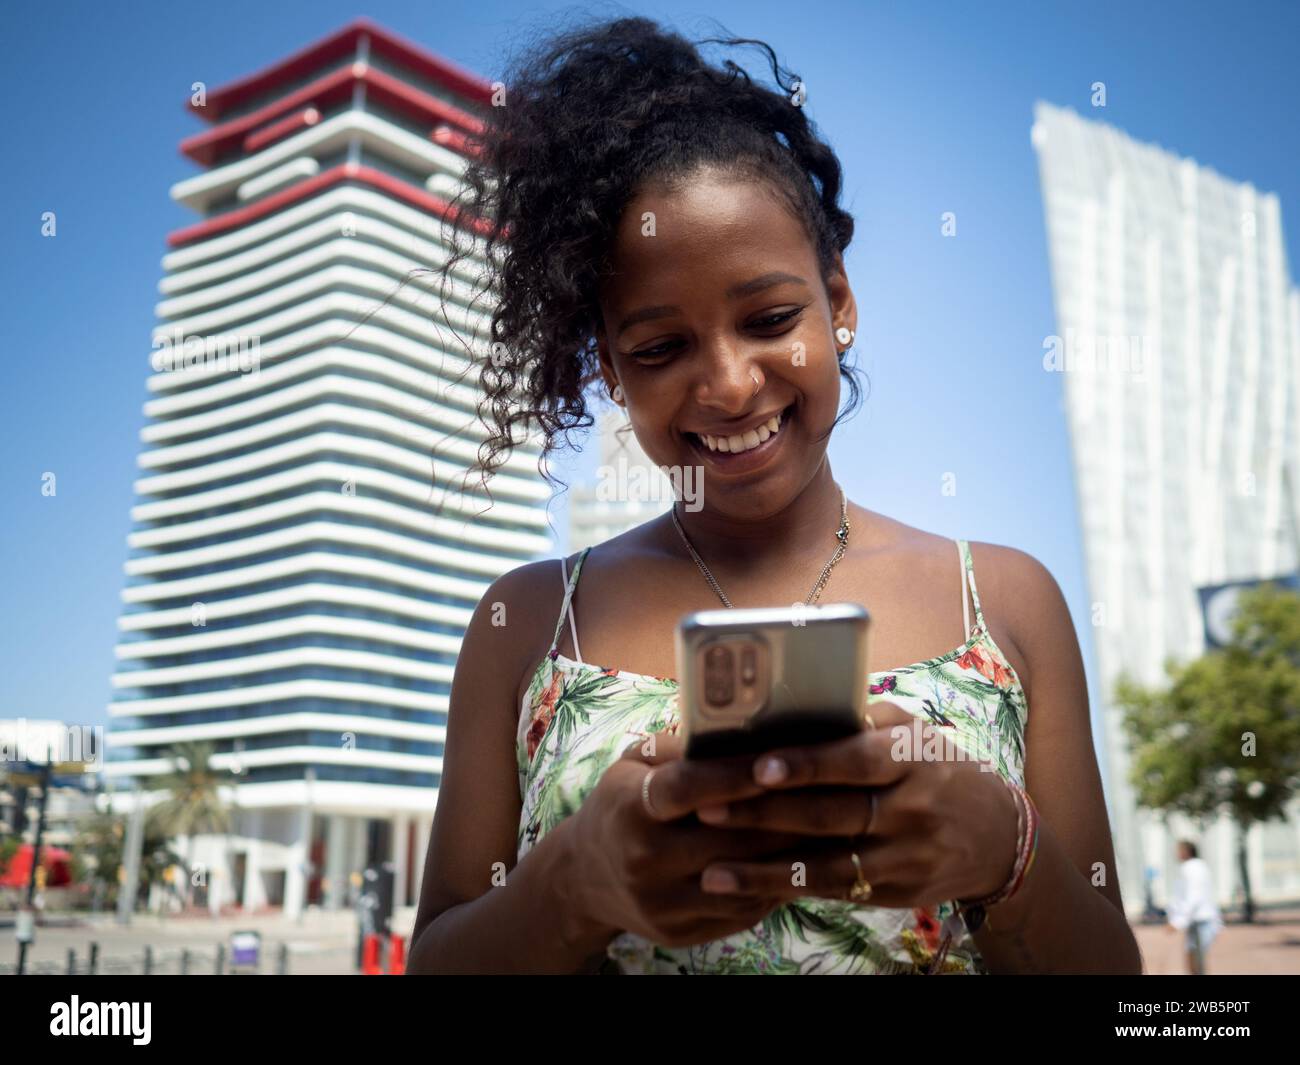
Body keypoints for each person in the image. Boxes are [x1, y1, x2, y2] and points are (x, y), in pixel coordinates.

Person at [406, 15, 1142, 974]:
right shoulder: (529, 621)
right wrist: (572, 883)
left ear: (839, 302)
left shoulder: (1005, 602)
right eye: (660, 347)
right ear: (610, 369)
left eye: (770, 317)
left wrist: (1006, 851)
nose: (729, 385)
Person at [1165, 840, 1223, 974]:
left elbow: (1193, 897)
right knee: (1195, 961)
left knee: (1196, 963)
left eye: (1178, 850)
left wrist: (1177, 922)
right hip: (1198, 920)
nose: (1176, 854)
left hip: (1200, 921)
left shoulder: (1191, 868)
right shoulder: (1198, 866)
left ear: (1186, 852)